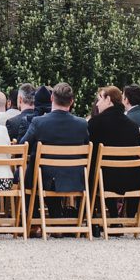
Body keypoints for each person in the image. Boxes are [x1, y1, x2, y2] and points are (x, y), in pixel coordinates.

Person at [25, 82, 92, 217]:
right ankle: (59, 217)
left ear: (51, 99)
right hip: (75, 178)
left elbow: (24, 145)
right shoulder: (82, 124)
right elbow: (86, 145)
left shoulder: (39, 122)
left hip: (44, 179)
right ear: (72, 101)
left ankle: (33, 222)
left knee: (29, 171)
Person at [87, 84, 140, 213]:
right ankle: (129, 217)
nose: (97, 104)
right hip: (132, 180)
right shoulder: (132, 125)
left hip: (104, 181)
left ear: (108, 100)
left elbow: (90, 154)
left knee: (90, 170)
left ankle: (97, 216)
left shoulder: (95, 123)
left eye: (100, 99)